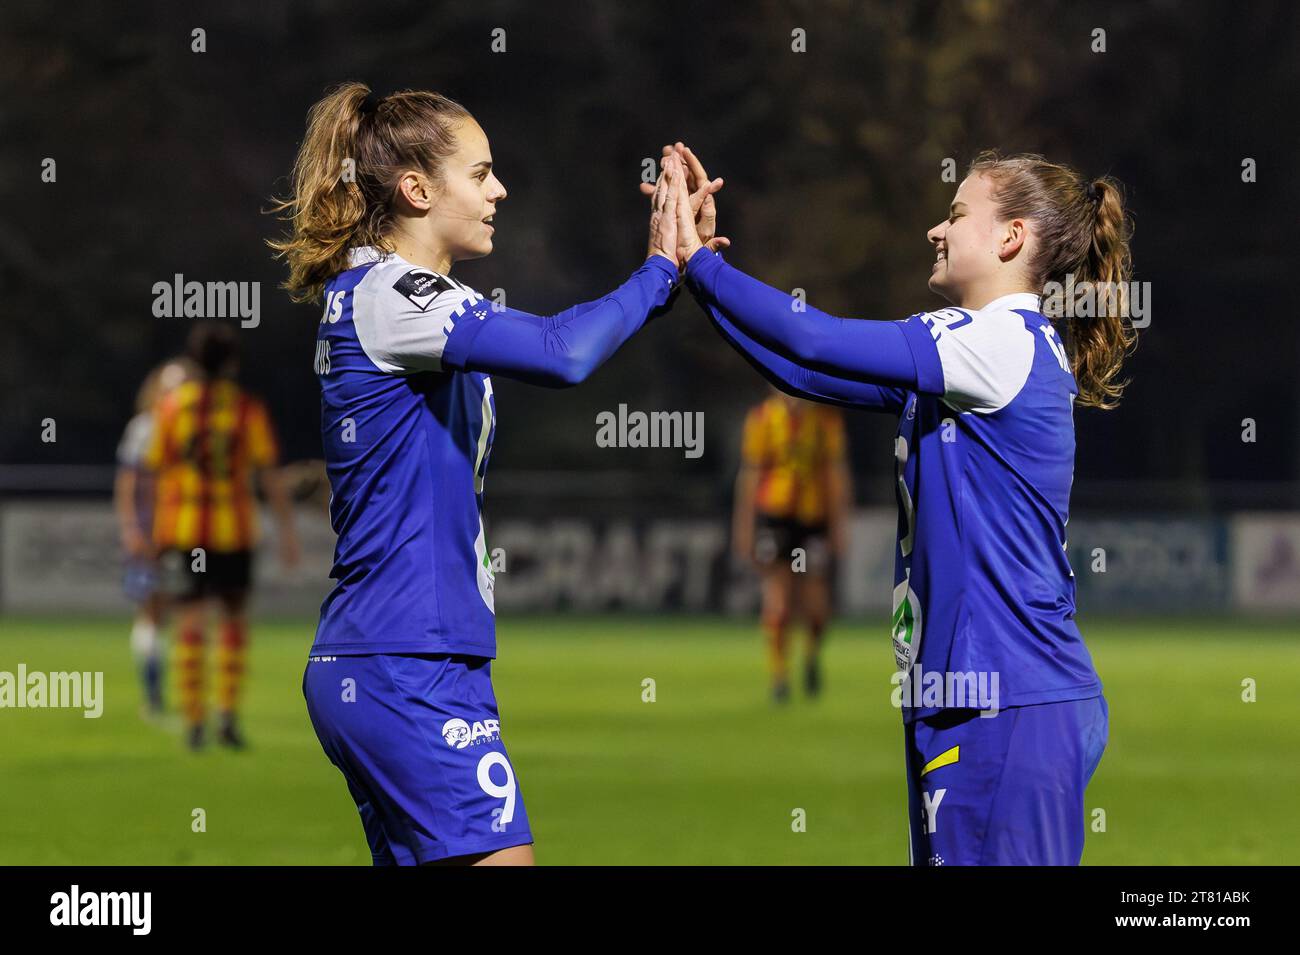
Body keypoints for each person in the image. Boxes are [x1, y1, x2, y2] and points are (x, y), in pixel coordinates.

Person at [268, 83, 709, 865]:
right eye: (480, 173)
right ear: (416, 189)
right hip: (409, 659)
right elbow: (561, 353)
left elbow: (563, 342)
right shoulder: (394, 298)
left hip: (389, 655)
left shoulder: (387, 298)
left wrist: (666, 281)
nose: (498, 190)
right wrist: (658, 269)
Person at [662, 142, 1129, 865]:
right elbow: (800, 368)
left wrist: (703, 263)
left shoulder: (996, 341)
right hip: (980, 697)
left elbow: (810, 333)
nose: (935, 231)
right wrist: (694, 277)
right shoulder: (976, 356)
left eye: (956, 214)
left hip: (1005, 696)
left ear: (1012, 237)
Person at [144, 321, 300, 750]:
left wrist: (152, 530)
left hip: (182, 531)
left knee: (190, 624)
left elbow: (158, 468)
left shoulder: (172, 407)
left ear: (193, 360)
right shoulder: (247, 409)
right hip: (233, 532)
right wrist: (287, 530)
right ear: (231, 361)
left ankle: (195, 721)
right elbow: (267, 474)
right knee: (232, 622)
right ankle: (227, 715)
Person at [734, 387, 850, 702]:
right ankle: (779, 676)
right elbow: (751, 475)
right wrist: (744, 528)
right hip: (776, 518)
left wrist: (839, 525)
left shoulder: (825, 420)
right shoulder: (762, 418)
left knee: (815, 606)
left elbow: (835, 475)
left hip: (812, 521)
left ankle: (811, 656)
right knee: (779, 599)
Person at [114, 356, 194, 717]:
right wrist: (132, 529)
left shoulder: (198, 429)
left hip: (188, 534)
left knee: (187, 612)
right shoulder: (145, 428)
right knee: (151, 611)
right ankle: (153, 692)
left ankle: (186, 694)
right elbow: (128, 484)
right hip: (151, 537)